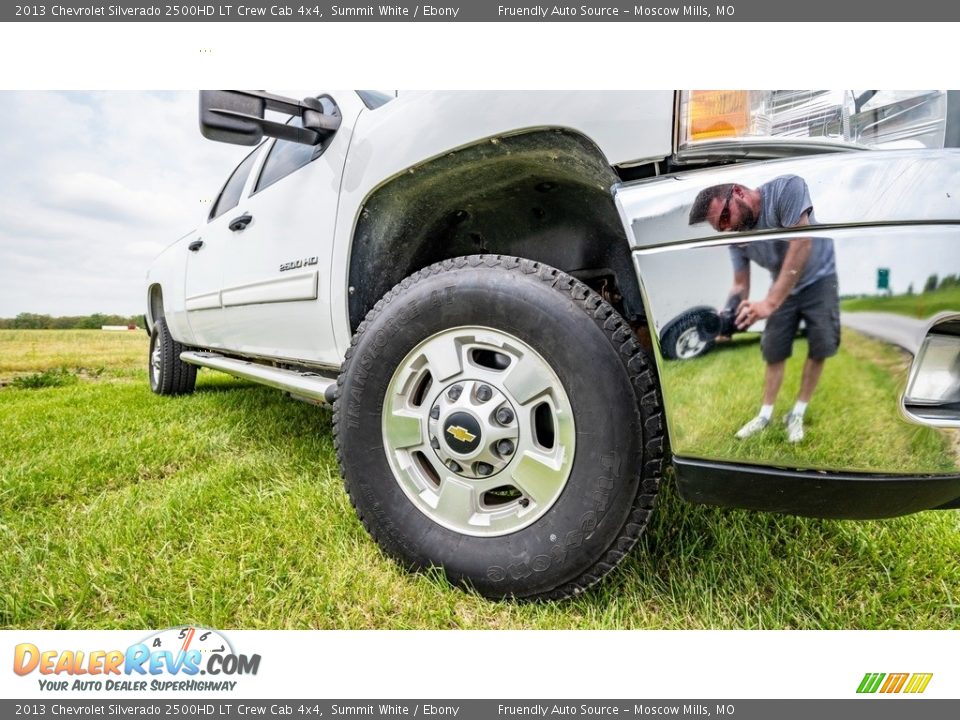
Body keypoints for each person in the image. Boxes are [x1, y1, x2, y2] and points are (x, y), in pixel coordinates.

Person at [687, 175, 840, 443]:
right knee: (773, 350)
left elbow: (801, 242)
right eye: (720, 228)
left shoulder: (786, 189)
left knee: (820, 346)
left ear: (738, 192)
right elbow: (739, 284)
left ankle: (798, 413)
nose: (727, 229)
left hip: (819, 278)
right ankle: (765, 415)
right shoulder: (737, 237)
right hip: (781, 285)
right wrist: (728, 318)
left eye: (725, 218)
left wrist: (769, 303)